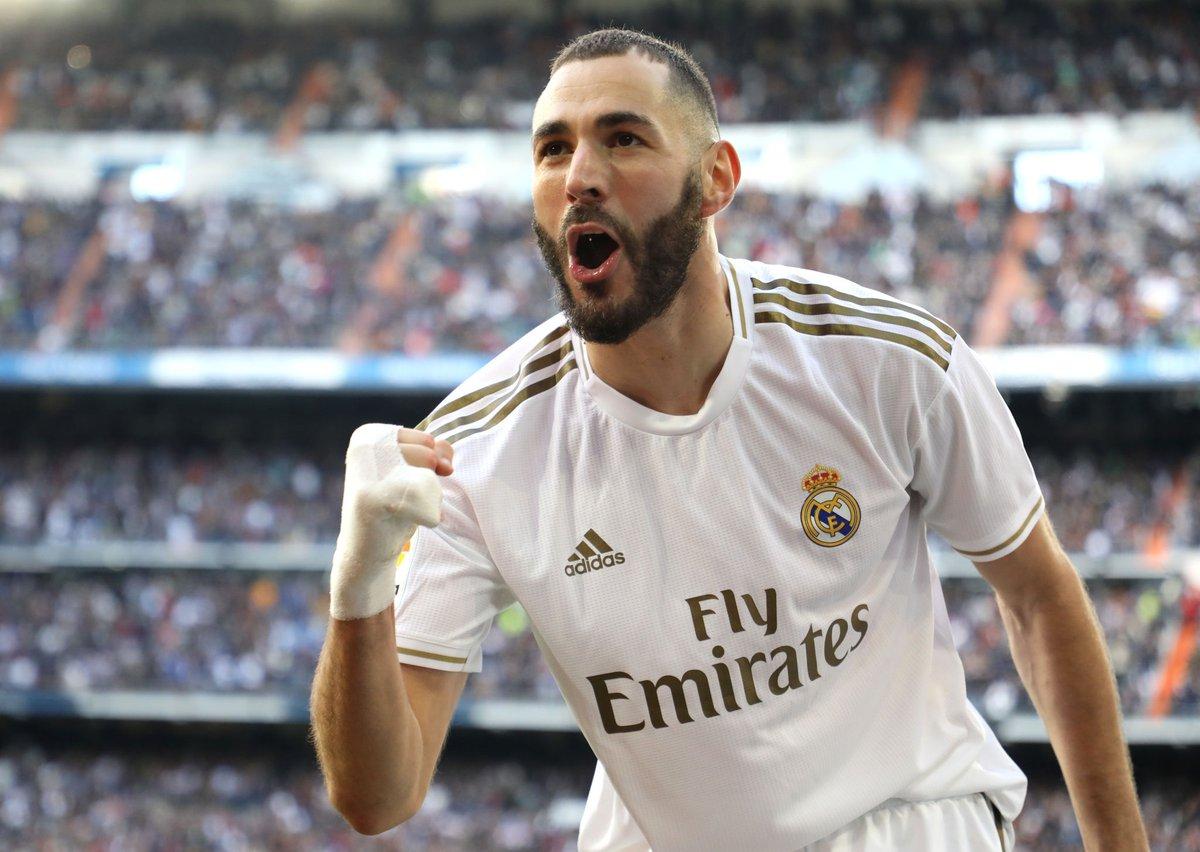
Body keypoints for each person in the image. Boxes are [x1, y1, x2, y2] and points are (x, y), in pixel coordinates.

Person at [310, 28, 1149, 851]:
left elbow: (1039, 597)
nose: (580, 177)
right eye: (553, 149)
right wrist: (359, 582)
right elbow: (378, 799)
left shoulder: (887, 360)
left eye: (623, 139)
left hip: (908, 822)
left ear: (715, 179)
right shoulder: (471, 452)